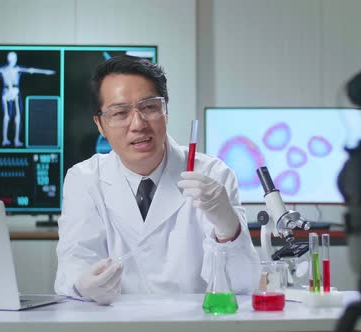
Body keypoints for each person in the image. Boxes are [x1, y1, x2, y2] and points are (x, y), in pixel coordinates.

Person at [54, 55, 260, 305]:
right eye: (120, 113)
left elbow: (242, 284)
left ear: (166, 109)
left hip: (194, 325)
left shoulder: (212, 174)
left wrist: (229, 229)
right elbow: (74, 261)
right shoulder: (84, 179)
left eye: (149, 107)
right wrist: (81, 284)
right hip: (115, 325)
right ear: (100, 124)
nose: (138, 124)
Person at [0, 51, 56, 147]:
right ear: (12, 59)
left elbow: (31, 70)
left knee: (14, 116)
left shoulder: (6, 69)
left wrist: (45, 72)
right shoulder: (10, 69)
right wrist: (46, 72)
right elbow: (31, 70)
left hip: (12, 91)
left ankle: (13, 140)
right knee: (10, 116)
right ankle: (8, 140)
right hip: (10, 92)